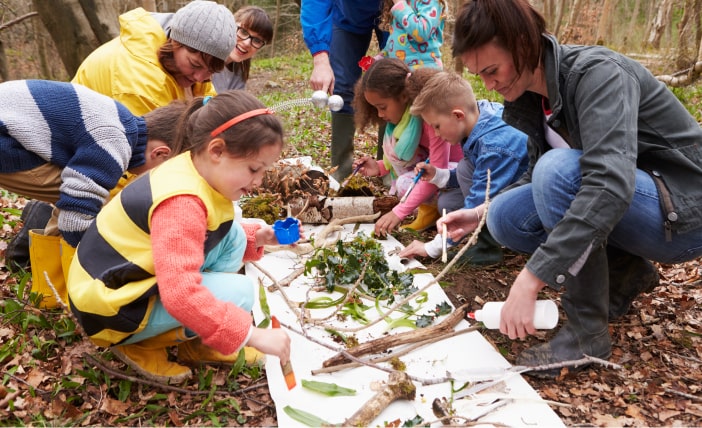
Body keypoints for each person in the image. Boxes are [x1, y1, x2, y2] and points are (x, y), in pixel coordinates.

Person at [442, 0, 702, 378]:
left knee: (558, 172)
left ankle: (586, 335)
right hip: (644, 202)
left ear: (522, 43)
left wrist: (531, 277)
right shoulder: (532, 99)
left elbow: (608, 184)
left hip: (687, 209)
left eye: (492, 70)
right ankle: (625, 270)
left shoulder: (599, 75)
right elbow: (537, 186)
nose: (490, 85)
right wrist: (480, 213)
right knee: (506, 215)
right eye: (479, 75)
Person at [66, 90, 294, 385]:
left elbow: (210, 233)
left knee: (235, 236)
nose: (259, 181)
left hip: (123, 279)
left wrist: (257, 238)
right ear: (217, 150)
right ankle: (141, 344)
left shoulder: (194, 167)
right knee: (240, 292)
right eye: (254, 169)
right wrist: (251, 334)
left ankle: (196, 336)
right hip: (110, 308)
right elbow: (180, 294)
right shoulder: (182, 203)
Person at [0, 79, 187, 308]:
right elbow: (75, 220)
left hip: (10, 128)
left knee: (80, 195)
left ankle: (50, 294)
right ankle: (76, 298)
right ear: (160, 153)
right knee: (85, 204)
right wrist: (103, 259)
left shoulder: (122, 122)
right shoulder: (113, 144)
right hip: (6, 139)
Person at [398, 71, 528, 266]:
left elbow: (480, 201)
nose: (435, 133)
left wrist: (431, 248)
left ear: (457, 115)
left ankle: (486, 247)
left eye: (437, 126)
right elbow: (475, 173)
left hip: (527, 206)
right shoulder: (480, 116)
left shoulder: (494, 147)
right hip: (509, 187)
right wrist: (438, 175)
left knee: (466, 171)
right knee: (456, 185)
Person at [351, 58, 462, 236]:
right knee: (409, 183)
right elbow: (414, 160)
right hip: (443, 173)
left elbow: (435, 171)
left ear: (403, 96)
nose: (380, 114)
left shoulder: (429, 118)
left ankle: (439, 208)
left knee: (407, 185)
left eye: (382, 107)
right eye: (375, 109)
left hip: (460, 172)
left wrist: (399, 211)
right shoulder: (401, 124)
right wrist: (379, 167)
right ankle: (431, 210)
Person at [72, 0, 237, 116]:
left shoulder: (187, 69)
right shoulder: (139, 79)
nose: (199, 78)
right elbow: (145, 155)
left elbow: (209, 107)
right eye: (195, 65)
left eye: (211, 71)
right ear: (175, 41)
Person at [301, 0, 388, 181]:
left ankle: (389, 167)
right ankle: (341, 169)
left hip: (397, 11)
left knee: (393, 82)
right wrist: (320, 59)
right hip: (347, 16)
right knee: (341, 85)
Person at [212, 6, 273, 92]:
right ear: (230, 25)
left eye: (257, 40)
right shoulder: (201, 57)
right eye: (243, 31)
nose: (246, 43)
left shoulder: (238, 73)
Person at [378, 0, 447, 70]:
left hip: (425, 70)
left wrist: (399, 4)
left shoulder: (430, 2)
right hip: (401, 70)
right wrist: (381, 57)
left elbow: (422, 33)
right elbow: (396, 40)